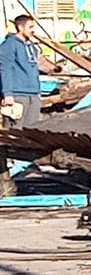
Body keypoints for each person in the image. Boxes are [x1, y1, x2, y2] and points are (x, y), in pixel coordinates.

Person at [1, 13, 47, 196]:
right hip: (18, 94)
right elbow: (4, 69)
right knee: (13, 131)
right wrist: (8, 94)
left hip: (33, 93)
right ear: (20, 27)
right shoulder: (9, 46)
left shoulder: (31, 46)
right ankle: (8, 167)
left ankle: (28, 165)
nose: (33, 31)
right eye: (31, 27)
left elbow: (37, 65)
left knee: (31, 130)